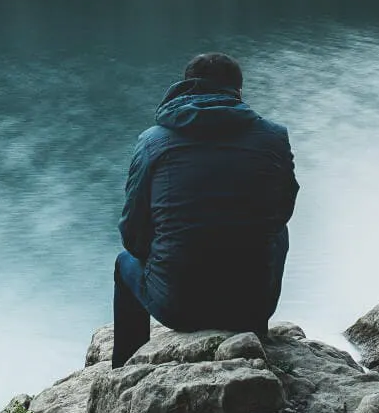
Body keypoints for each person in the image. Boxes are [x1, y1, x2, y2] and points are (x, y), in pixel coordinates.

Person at [112, 52, 298, 368]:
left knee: (125, 262)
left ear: (185, 88)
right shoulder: (273, 137)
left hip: (179, 307)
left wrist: (163, 255)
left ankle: (128, 369)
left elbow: (133, 234)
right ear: (238, 92)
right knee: (277, 232)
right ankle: (255, 338)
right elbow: (282, 210)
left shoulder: (152, 141)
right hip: (250, 305)